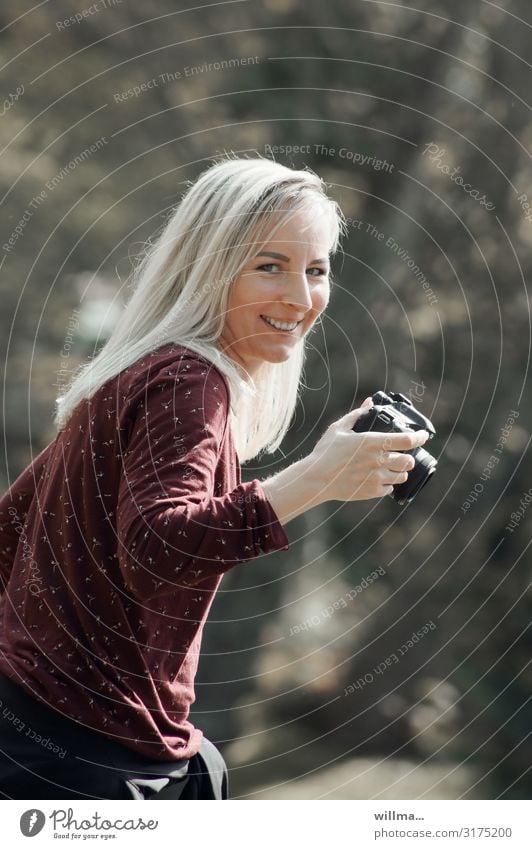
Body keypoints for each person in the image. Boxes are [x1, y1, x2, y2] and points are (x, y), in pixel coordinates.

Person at [0, 155, 428, 800]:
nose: (300, 297)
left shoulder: (141, 370)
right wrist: (314, 478)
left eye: (316, 270)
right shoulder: (189, 383)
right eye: (268, 266)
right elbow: (158, 545)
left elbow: (9, 526)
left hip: (43, 729)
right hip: (80, 756)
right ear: (208, 268)